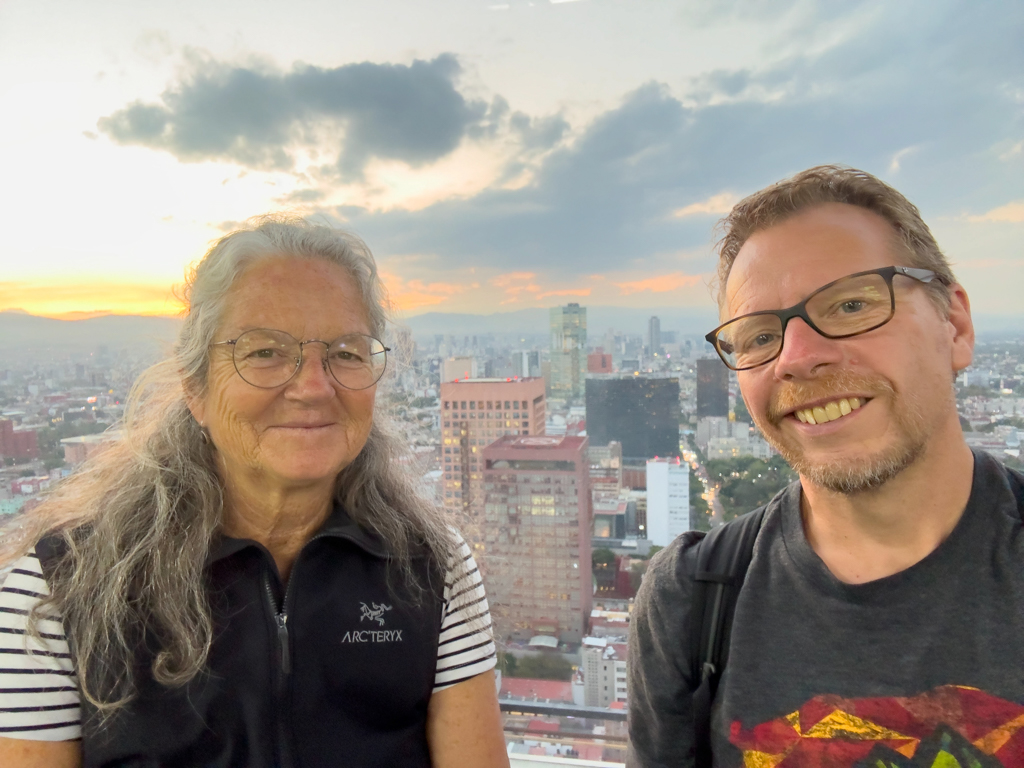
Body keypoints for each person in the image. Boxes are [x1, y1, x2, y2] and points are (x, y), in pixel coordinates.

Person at [0, 217, 510, 768]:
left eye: (345, 352)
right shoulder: (57, 591)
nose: (314, 386)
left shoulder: (432, 570)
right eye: (264, 352)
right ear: (195, 388)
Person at [628, 166, 1024, 767]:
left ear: (956, 326)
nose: (798, 358)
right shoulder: (694, 600)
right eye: (759, 337)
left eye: (851, 304)